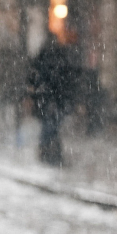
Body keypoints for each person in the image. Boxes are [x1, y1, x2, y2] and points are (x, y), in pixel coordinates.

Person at [28, 33, 75, 166]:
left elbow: (35, 79)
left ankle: (47, 153)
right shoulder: (60, 57)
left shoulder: (43, 58)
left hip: (49, 99)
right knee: (52, 127)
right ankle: (50, 154)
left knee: (49, 126)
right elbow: (66, 80)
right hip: (55, 100)